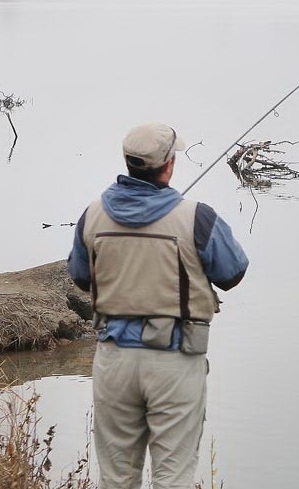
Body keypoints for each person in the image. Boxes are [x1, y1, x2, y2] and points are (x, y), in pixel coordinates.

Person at [67, 122, 249, 489]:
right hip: (175, 362)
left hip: (113, 360)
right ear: (168, 166)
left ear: (130, 163)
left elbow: (80, 277)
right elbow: (232, 273)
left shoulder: (91, 215)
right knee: (173, 478)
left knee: (117, 479)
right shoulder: (197, 217)